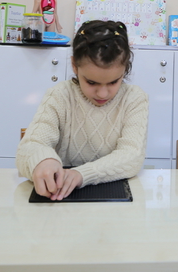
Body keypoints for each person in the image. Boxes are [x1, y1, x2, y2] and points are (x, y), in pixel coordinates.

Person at [16, 20, 148, 200]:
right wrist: (43, 160)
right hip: (62, 200)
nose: (102, 93)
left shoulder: (134, 98)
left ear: (124, 70)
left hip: (115, 200)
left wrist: (82, 174)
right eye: (91, 82)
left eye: (113, 82)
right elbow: (30, 146)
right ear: (74, 65)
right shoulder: (60, 95)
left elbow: (132, 156)